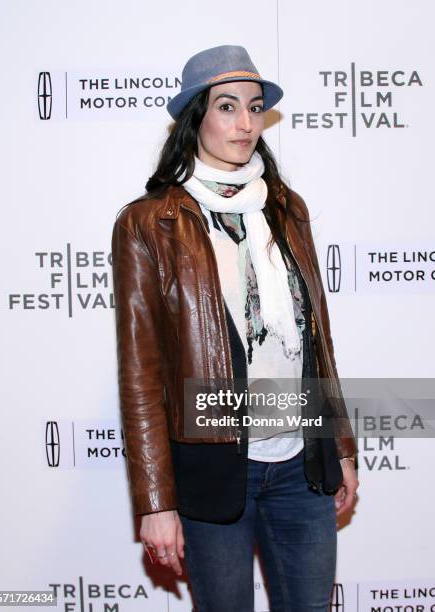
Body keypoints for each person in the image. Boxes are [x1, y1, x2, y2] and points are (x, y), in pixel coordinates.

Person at [111, 44, 359, 612]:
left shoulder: (286, 209)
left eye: (254, 107)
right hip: (214, 467)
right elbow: (141, 373)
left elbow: (316, 338)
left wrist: (339, 444)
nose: (246, 123)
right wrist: (155, 501)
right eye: (227, 107)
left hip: (302, 465)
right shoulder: (151, 223)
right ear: (196, 116)